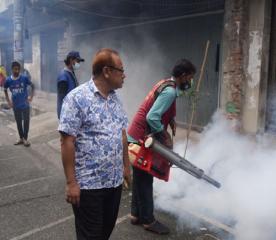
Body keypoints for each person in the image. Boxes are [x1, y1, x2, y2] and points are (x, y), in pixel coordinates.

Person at [58, 48, 130, 240]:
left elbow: (122, 134)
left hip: (113, 183)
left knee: (104, 233)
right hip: (89, 187)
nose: (125, 75)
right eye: (121, 70)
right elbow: (67, 141)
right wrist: (71, 183)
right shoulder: (76, 98)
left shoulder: (115, 99)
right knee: (90, 236)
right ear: (107, 71)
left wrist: (126, 166)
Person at [127, 59, 196, 235]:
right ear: (182, 76)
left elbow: (165, 106)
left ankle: (135, 214)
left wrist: (171, 120)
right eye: (190, 77)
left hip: (136, 134)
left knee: (139, 174)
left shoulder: (166, 82)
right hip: (142, 136)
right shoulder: (170, 91)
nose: (190, 81)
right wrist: (165, 137)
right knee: (145, 178)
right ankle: (148, 220)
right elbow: (152, 117)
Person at [4, 61, 34, 147]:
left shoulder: (24, 78)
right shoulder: (8, 80)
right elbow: (5, 89)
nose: (16, 71)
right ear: (12, 69)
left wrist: (31, 97)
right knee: (18, 122)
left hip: (25, 104)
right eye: (15, 69)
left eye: (18, 69)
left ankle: (25, 139)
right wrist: (8, 101)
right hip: (16, 105)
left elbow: (32, 86)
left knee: (26, 122)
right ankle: (21, 138)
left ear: (20, 69)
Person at [57, 51, 84, 118]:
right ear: (71, 60)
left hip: (71, 112)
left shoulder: (71, 73)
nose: (79, 63)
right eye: (77, 61)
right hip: (66, 114)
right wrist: (63, 115)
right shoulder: (63, 77)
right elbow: (62, 98)